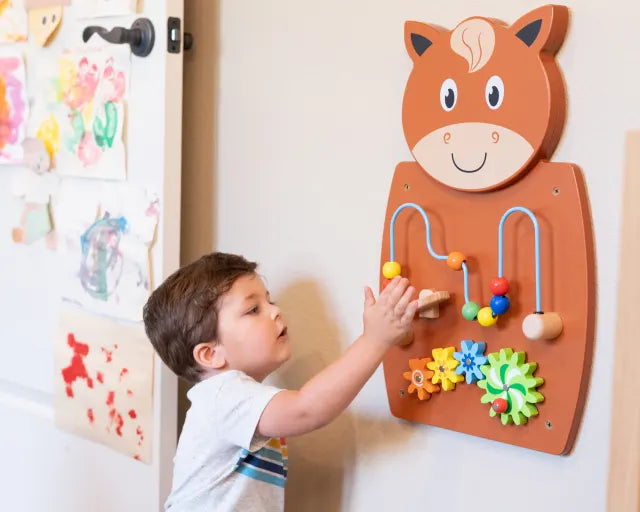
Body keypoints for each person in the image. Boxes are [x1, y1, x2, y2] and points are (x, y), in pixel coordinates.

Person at [143, 252, 418, 511]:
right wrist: (374, 340)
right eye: (253, 309)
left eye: (269, 301)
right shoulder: (221, 395)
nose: (275, 311)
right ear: (210, 354)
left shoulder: (231, 398)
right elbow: (306, 409)